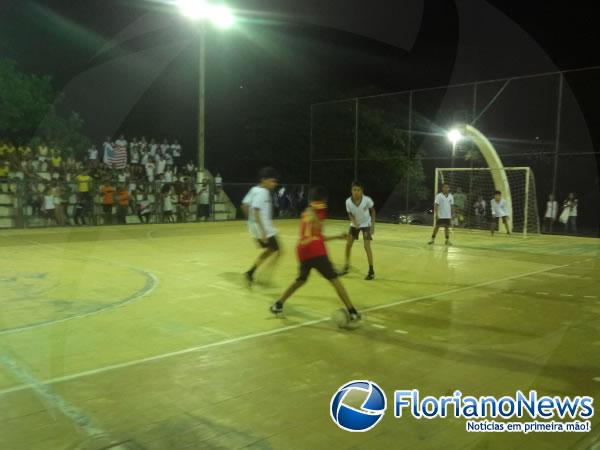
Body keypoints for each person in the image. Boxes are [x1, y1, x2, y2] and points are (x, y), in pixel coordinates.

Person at [269, 186, 361, 323]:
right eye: (324, 200)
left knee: (301, 280)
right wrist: (316, 217)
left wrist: (337, 237)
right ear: (322, 199)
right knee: (335, 280)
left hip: (302, 250)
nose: (325, 202)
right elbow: (316, 230)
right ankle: (352, 311)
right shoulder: (319, 210)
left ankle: (278, 304)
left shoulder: (307, 210)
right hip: (316, 251)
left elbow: (316, 235)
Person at [244, 167, 280, 286]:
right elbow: (256, 211)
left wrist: (250, 223)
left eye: (275, 182)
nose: (274, 184)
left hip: (257, 228)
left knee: (273, 249)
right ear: (263, 180)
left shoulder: (254, 189)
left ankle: (251, 272)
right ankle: (262, 274)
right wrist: (263, 232)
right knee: (278, 250)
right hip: (264, 229)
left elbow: (244, 205)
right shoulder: (263, 192)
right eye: (271, 181)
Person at [340, 181, 376, 280]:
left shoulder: (367, 200)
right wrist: (354, 222)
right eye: (354, 190)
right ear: (351, 191)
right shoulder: (348, 201)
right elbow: (350, 214)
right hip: (354, 224)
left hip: (366, 224)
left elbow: (373, 211)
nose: (356, 192)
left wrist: (372, 225)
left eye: (358, 190)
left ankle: (371, 271)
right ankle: (346, 266)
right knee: (348, 245)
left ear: (362, 191)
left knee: (367, 246)